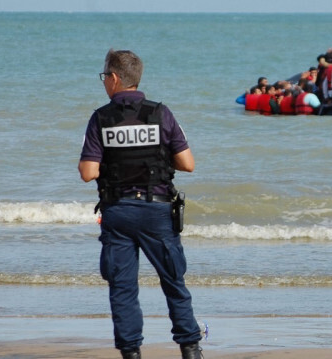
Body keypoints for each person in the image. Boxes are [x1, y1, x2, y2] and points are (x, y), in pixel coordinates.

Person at [78, 49, 203, 359]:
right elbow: (188, 164)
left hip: (118, 212)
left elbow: (88, 173)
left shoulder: (101, 118)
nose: (104, 81)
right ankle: (190, 349)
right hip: (158, 211)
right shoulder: (161, 113)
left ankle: (131, 354)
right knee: (174, 282)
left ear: (116, 78)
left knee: (122, 289)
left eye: (105, 76)